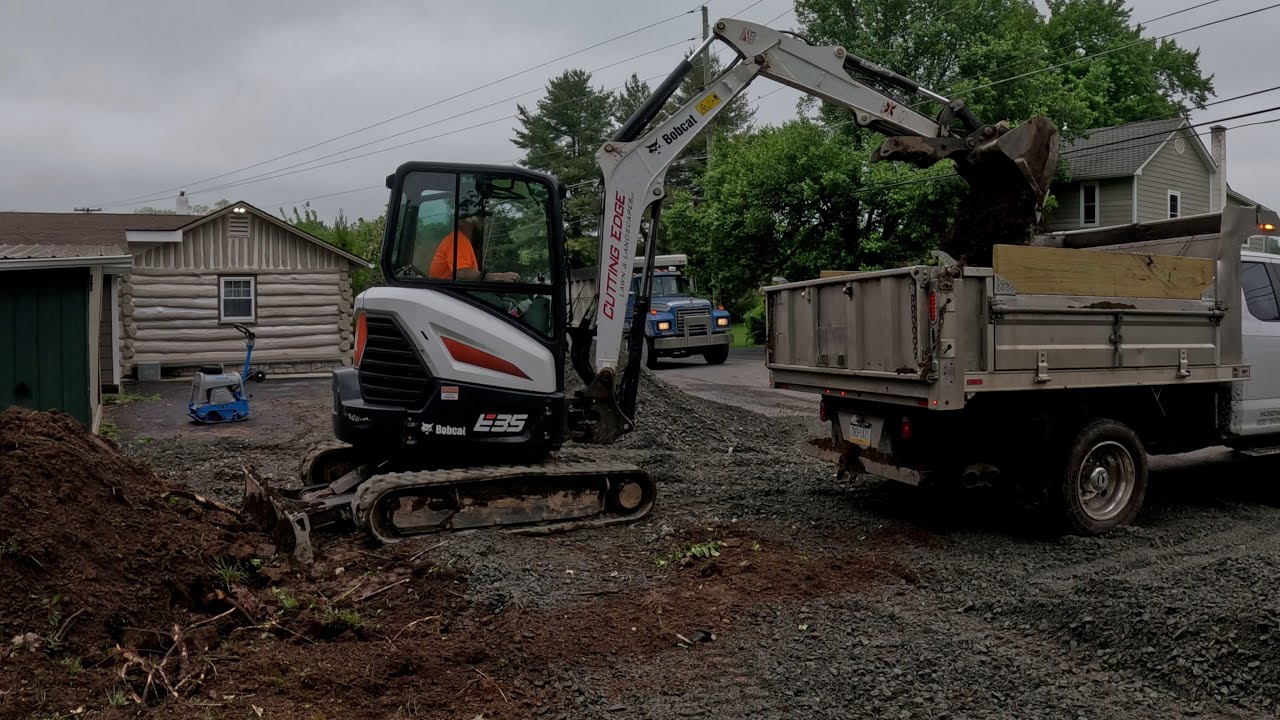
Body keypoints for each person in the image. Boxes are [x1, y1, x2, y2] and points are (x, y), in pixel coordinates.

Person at [428, 200, 519, 282]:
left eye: (481, 217)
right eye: (475, 217)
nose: (481, 221)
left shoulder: (464, 241)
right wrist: (497, 277)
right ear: (460, 221)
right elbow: (461, 273)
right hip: (447, 295)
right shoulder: (458, 239)